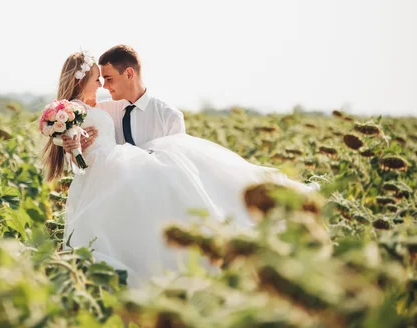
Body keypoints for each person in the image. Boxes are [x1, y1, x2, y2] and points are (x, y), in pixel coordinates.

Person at [42, 47, 316, 288]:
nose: (103, 86)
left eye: (108, 79)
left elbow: (183, 158)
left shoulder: (167, 114)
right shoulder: (101, 109)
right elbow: (76, 134)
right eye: (99, 79)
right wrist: (70, 145)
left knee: (181, 183)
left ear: (129, 74)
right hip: (117, 188)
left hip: (154, 192)